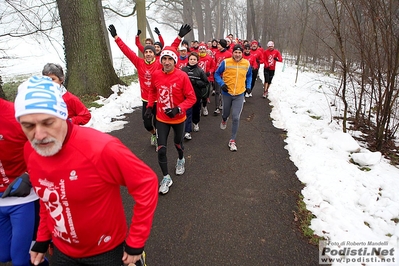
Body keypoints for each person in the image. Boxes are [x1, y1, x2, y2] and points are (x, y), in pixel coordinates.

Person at [14, 76, 158, 266]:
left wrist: (136, 242)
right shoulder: (30, 151)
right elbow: (47, 198)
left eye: (48, 122)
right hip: (62, 251)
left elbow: (146, 183)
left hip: (106, 251)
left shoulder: (101, 148)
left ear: (63, 115)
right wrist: (42, 239)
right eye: (29, 126)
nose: (38, 135)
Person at [0, 98, 48, 266]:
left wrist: (30, 173)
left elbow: (45, 144)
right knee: (3, 255)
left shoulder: (17, 115)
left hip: (22, 196)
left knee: (20, 260)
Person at [146, 46, 196, 194]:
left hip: (178, 119)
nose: (167, 62)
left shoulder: (182, 76)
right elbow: (152, 91)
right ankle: (166, 177)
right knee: (161, 150)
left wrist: (178, 109)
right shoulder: (156, 75)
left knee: (178, 144)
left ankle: (181, 159)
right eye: (164, 59)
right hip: (161, 119)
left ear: (175, 61)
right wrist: (149, 107)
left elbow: (192, 98)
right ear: (161, 60)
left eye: (170, 59)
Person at [108, 24, 161, 150]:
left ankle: (159, 137)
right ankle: (153, 134)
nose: (148, 54)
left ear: (154, 54)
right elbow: (126, 50)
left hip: (158, 99)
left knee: (159, 122)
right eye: (146, 52)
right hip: (145, 100)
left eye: (150, 52)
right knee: (147, 124)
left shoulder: (160, 64)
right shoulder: (139, 62)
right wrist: (116, 37)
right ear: (144, 54)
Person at [214, 44, 252, 151]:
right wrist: (221, 84)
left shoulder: (246, 63)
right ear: (233, 52)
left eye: (239, 52)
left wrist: (248, 86)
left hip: (239, 94)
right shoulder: (226, 62)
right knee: (226, 113)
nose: (237, 54)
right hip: (227, 93)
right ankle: (224, 119)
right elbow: (216, 74)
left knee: (236, 117)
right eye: (236, 52)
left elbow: (249, 75)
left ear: (242, 53)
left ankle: (232, 140)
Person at [182, 52, 209, 139]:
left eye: (194, 59)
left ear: (197, 61)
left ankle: (196, 122)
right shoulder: (183, 70)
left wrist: (197, 82)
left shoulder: (200, 71)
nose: (192, 61)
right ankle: (187, 131)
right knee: (187, 112)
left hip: (196, 95)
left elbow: (206, 83)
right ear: (188, 60)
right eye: (191, 59)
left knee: (196, 111)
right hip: (186, 96)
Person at [213, 39, 232, 115]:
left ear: (223, 45)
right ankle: (217, 108)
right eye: (217, 44)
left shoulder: (229, 54)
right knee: (217, 91)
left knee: (223, 91)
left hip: (226, 75)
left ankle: (222, 104)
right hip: (218, 75)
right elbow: (215, 63)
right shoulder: (217, 53)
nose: (217, 46)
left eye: (219, 44)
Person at [198, 43, 216, 116]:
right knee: (198, 95)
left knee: (205, 95)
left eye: (203, 49)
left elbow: (213, 66)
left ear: (206, 50)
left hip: (206, 79)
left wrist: (210, 72)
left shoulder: (209, 58)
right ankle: (198, 108)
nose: (202, 51)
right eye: (201, 49)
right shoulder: (196, 57)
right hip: (197, 79)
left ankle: (204, 107)